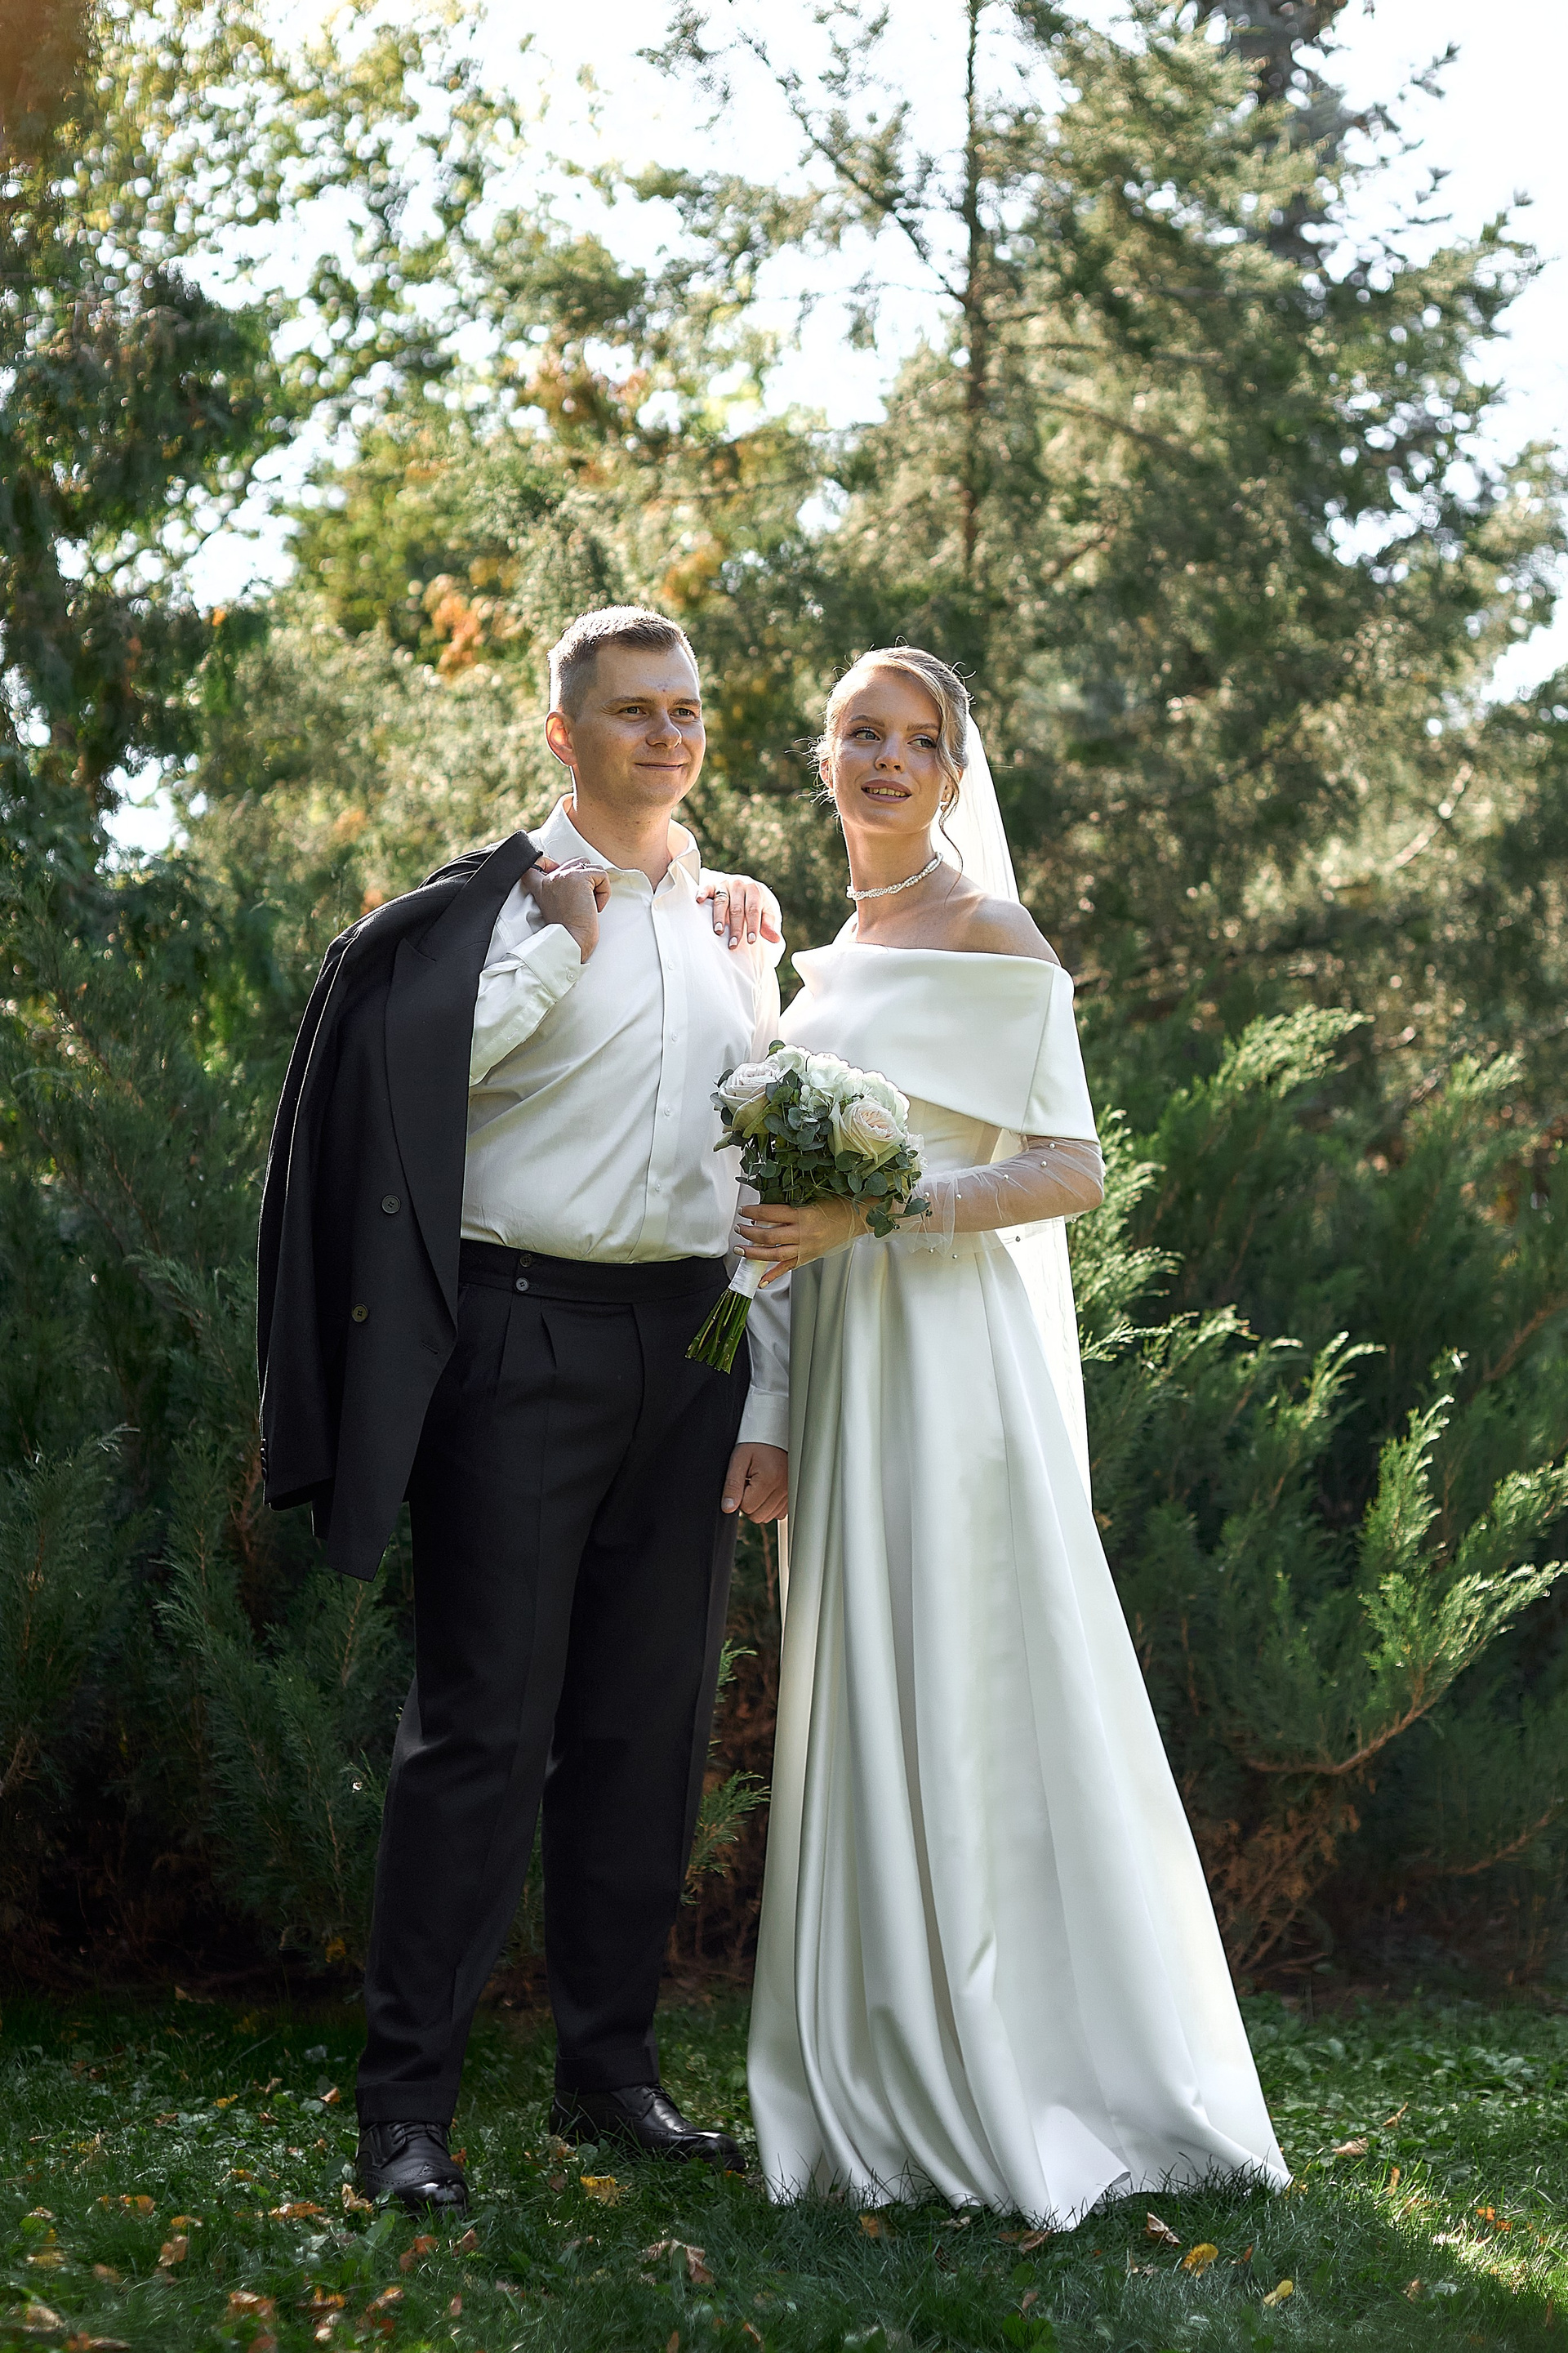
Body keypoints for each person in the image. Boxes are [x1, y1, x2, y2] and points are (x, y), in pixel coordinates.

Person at [739, 647, 1288, 2224]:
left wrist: (884, 1205)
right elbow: (774, 1226)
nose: (886, 759)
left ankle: (1015, 2054)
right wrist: (769, 1402)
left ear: (952, 772)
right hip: (842, 1365)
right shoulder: (820, 966)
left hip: (951, 1362)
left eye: (918, 740)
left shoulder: (996, 933)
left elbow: (1070, 1166)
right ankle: (876, 2053)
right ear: (824, 760)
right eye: (861, 733)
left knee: (965, 1669)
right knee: (861, 1678)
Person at [257, 605, 789, 2214]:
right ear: (564, 733)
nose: (667, 736)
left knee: (645, 1729)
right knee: (481, 1729)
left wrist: (766, 1383)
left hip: (689, 1348)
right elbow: (409, 1098)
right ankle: (404, 2111)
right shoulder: (491, 910)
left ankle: (608, 2077)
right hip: (516, 1337)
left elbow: (758, 1158)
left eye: (685, 710)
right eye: (633, 711)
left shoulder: (731, 920)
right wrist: (559, 942)